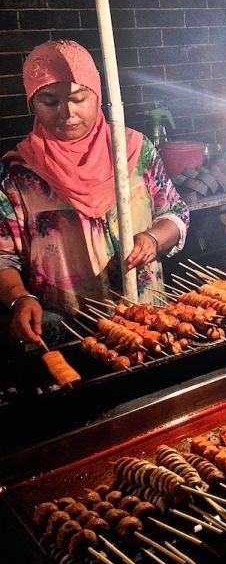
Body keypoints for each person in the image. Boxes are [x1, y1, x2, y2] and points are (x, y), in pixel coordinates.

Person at [0, 39, 190, 347]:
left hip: (148, 324)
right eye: (50, 102)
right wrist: (18, 298)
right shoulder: (17, 173)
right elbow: (3, 256)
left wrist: (154, 238)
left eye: (79, 98)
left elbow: (176, 214)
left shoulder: (135, 150)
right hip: (67, 333)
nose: (68, 113)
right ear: (31, 102)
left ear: (97, 94)